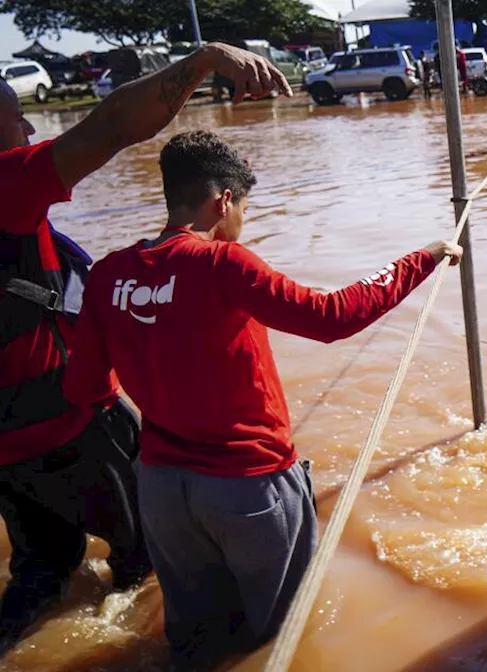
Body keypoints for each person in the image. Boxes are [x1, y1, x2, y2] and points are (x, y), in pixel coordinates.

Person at [61, 130, 464, 668]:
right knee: (285, 640)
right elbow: (333, 316)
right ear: (223, 200)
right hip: (248, 485)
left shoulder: (109, 274)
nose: (240, 223)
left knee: (194, 642)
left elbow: (85, 388)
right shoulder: (223, 264)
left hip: (161, 489)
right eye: (242, 209)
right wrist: (426, 256)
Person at [0, 42, 289, 654]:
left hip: (7, 453)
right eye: (14, 115)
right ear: (224, 204)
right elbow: (106, 128)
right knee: (149, 565)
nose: (28, 126)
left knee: (39, 573)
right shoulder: (6, 186)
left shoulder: (116, 268)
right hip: (67, 425)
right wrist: (203, 60)